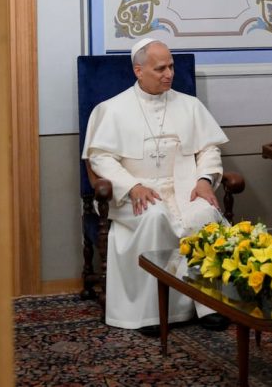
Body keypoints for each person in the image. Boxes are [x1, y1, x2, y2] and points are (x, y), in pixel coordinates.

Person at [81, 38, 230, 333]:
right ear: (138, 70)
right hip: (135, 194)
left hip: (184, 187)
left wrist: (204, 180)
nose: (169, 74)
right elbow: (100, 158)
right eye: (160, 68)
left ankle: (208, 304)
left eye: (171, 67)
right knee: (155, 216)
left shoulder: (190, 106)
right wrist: (132, 186)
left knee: (204, 214)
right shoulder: (112, 109)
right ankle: (149, 312)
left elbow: (209, 148)